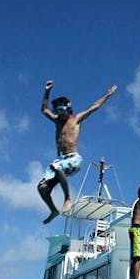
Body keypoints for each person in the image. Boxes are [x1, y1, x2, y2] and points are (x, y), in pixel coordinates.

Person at [37, 80, 118, 224]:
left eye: (62, 111)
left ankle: (68, 198)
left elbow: (94, 107)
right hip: (60, 161)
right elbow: (44, 110)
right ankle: (53, 210)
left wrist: (108, 95)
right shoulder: (57, 121)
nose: (59, 115)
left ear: (68, 109)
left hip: (74, 160)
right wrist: (47, 91)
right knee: (42, 187)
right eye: (57, 112)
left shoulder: (76, 119)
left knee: (56, 167)